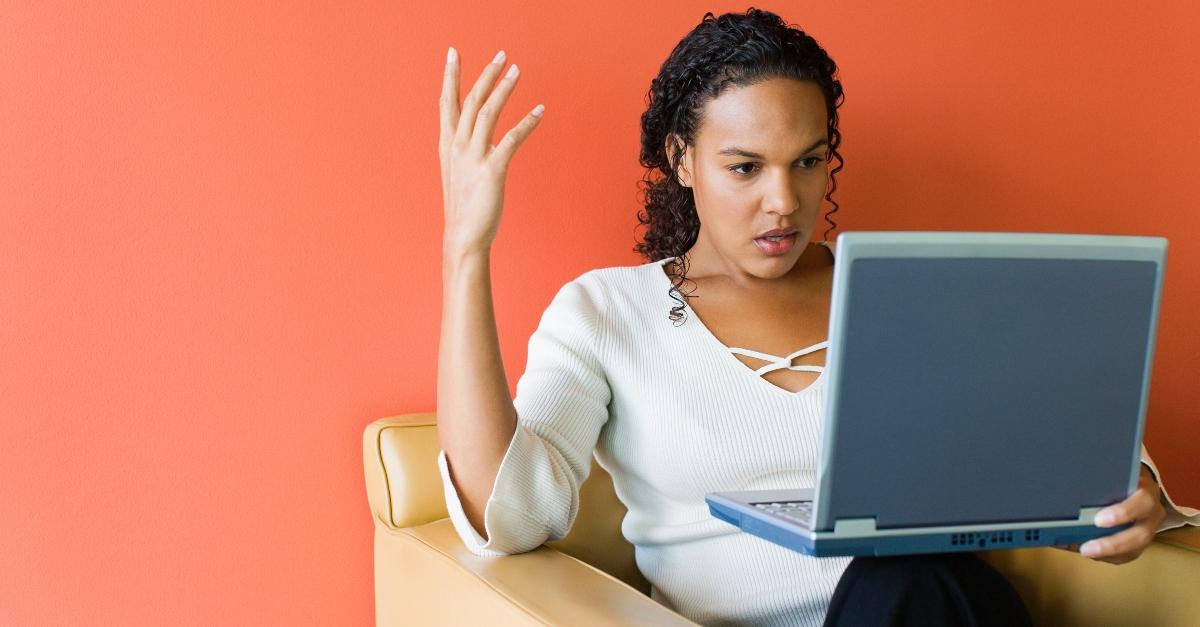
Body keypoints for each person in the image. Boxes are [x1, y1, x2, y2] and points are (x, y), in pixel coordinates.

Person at [435, 9, 1198, 626]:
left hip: (940, 606)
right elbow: (512, 517)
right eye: (746, 167)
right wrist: (467, 256)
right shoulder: (605, 313)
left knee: (909, 576)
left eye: (809, 160)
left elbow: (1061, 441)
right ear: (681, 159)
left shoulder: (901, 295)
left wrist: (1135, 495)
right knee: (898, 582)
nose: (785, 201)